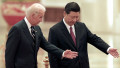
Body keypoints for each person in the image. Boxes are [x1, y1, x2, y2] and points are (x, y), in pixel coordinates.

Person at [5, 3, 78, 68]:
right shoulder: (17, 29)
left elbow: (46, 45)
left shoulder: (37, 28)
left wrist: (62, 53)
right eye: (40, 17)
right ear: (33, 15)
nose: (41, 20)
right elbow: (9, 56)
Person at [48, 2, 119, 68]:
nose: (75, 20)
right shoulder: (54, 30)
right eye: (72, 17)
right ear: (64, 14)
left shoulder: (82, 26)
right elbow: (52, 55)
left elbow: (94, 39)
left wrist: (108, 48)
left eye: (77, 17)